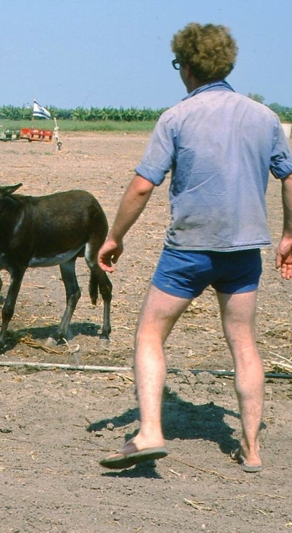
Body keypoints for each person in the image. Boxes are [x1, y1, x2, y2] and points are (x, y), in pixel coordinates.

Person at [97, 22, 292, 473]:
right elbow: (288, 177)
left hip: (188, 251)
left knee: (149, 334)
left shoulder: (176, 118)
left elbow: (143, 187)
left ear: (186, 67)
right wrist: (287, 234)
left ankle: (149, 431)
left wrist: (115, 236)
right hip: (243, 251)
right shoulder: (264, 118)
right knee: (243, 343)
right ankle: (251, 450)